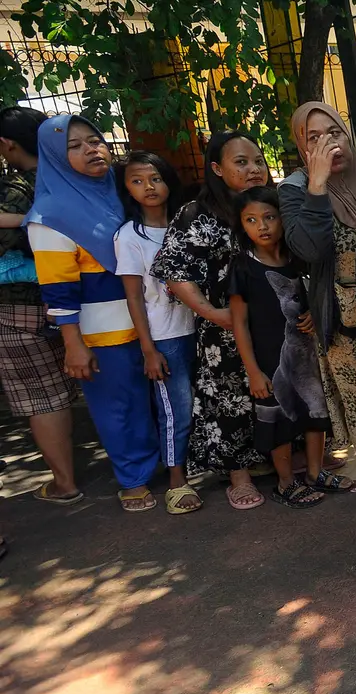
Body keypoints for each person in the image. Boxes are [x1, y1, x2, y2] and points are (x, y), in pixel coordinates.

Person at [27, 115, 161, 511]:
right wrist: (74, 344)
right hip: (104, 331)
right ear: (54, 156)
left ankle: (171, 468)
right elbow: (58, 289)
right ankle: (134, 479)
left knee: (156, 398)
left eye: (96, 140)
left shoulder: (121, 193)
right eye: (74, 145)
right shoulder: (50, 214)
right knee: (118, 406)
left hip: (153, 319)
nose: (91, 149)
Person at [151, 131, 278, 510]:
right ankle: (237, 475)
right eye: (241, 162)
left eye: (258, 160)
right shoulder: (198, 214)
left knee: (276, 387)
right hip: (224, 329)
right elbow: (173, 270)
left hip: (271, 323)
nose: (254, 169)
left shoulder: (272, 204)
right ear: (218, 169)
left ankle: (279, 459)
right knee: (229, 398)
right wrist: (213, 314)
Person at [281, 102, 356, 499]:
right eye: (314, 138)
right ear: (302, 147)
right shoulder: (294, 188)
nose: (329, 143)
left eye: (335, 132)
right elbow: (309, 247)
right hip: (343, 319)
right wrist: (318, 186)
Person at [230, 186, 333, 508]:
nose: (262, 226)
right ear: (241, 225)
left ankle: (316, 473)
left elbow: (315, 302)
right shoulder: (243, 267)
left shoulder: (298, 261)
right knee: (280, 421)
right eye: (251, 220)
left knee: (316, 413)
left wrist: (315, 319)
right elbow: (239, 324)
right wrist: (253, 372)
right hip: (269, 360)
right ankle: (286, 482)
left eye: (269, 217)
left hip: (307, 356)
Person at [114, 151, 201, 514]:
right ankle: (176, 481)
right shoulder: (129, 236)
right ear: (127, 189)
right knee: (175, 410)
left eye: (155, 178)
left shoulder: (188, 223)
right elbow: (134, 296)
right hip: (166, 336)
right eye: (137, 180)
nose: (148, 187)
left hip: (201, 328)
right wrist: (149, 349)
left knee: (203, 403)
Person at [0, 107, 78, 506]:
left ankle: (65, 483)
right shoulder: (68, 179)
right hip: (78, 297)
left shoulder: (14, 190)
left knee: (41, 395)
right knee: (83, 383)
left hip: (21, 307)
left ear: (7, 144)